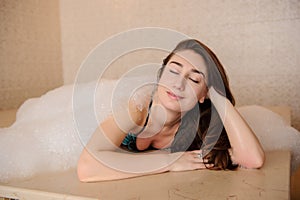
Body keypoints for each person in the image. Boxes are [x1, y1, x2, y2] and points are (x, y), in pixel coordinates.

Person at [77, 39, 265, 182]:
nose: (178, 84)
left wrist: (217, 96)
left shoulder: (199, 125)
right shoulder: (137, 109)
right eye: (173, 71)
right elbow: (87, 167)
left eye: (194, 79)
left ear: (203, 95)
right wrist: (170, 161)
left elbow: (252, 159)